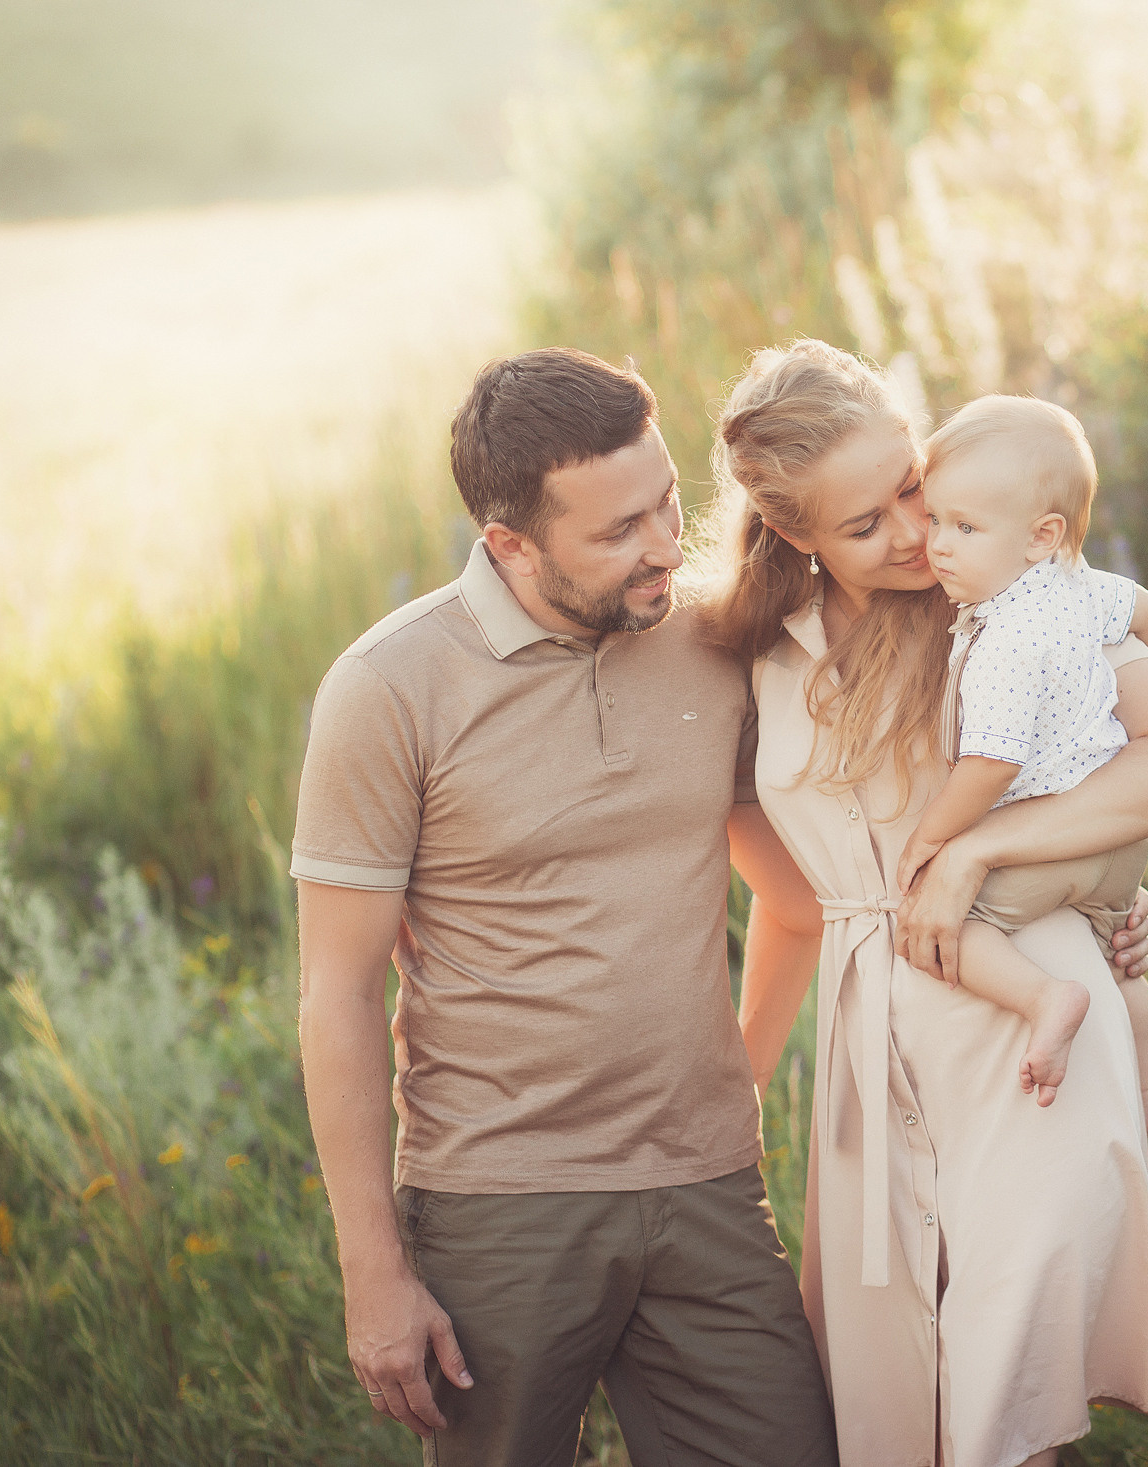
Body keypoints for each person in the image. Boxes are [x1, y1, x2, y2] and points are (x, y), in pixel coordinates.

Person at [291, 346, 839, 1467]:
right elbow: (336, 993)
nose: (661, 549)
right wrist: (374, 1273)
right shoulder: (392, 687)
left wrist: (1062, 901)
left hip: (708, 1189)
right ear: (510, 544)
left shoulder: (708, 638)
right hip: (502, 1205)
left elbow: (805, 894)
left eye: (666, 504)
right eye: (615, 530)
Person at [703, 339, 1148, 1467]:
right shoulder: (745, 654)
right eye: (864, 525)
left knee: (1006, 1397)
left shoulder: (1008, 602)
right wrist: (734, 1084)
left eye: (909, 486)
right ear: (793, 535)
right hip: (868, 1040)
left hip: (1026, 1021)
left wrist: (981, 852)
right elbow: (790, 905)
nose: (912, 533)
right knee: (896, 1396)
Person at [898, 394, 1148, 1128]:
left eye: (964, 526)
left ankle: (1044, 999)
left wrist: (932, 839)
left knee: (961, 926)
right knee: (1122, 956)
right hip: (1118, 838)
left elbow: (989, 766)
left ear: (1041, 535)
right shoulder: (1081, 591)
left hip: (1048, 842)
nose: (937, 545)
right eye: (934, 519)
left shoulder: (1004, 640)